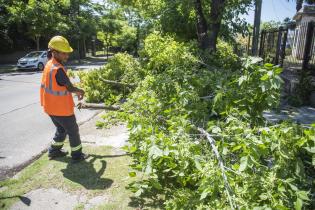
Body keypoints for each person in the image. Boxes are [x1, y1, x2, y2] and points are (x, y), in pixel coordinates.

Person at [40, 35, 88, 162]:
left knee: (61, 129)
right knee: (73, 131)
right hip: (61, 109)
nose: (67, 56)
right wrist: (80, 91)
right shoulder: (58, 69)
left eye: (67, 53)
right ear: (54, 52)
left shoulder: (49, 65)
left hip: (50, 108)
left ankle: (54, 151)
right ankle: (77, 156)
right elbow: (70, 88)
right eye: (64, 53)